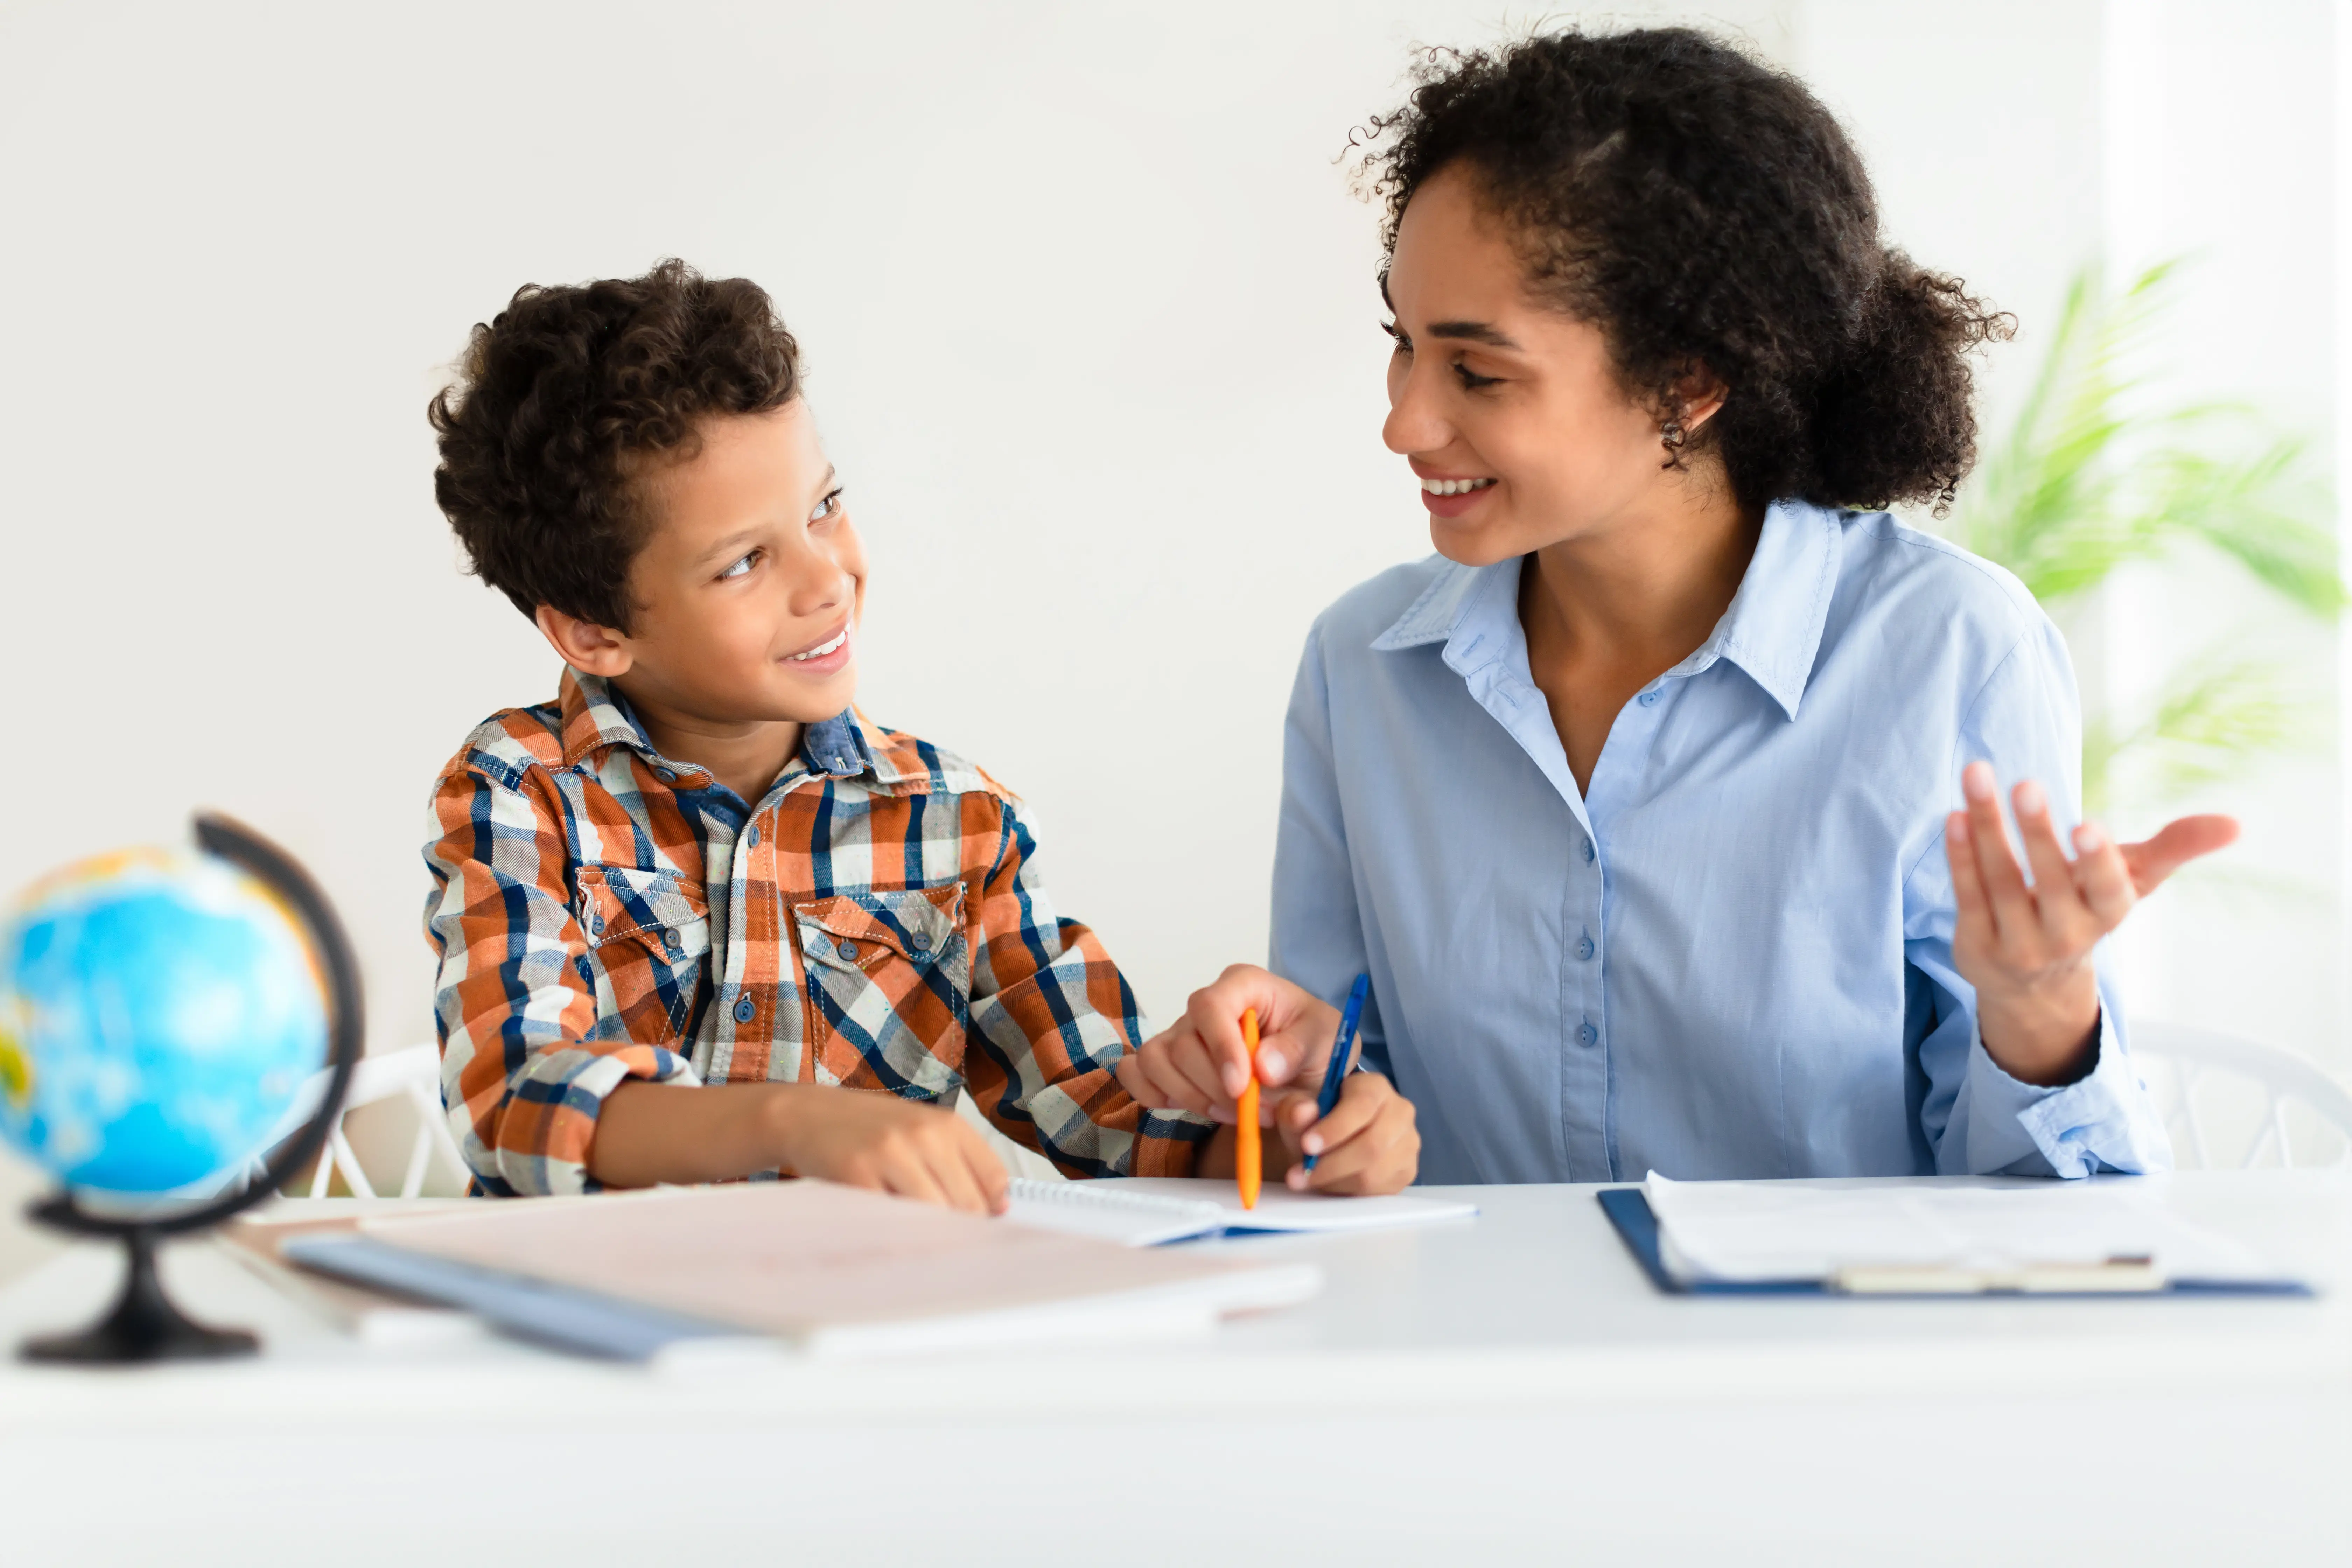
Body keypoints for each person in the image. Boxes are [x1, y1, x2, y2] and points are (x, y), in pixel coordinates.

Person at [1118, 28, 2237, 1185]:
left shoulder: (1948, 651)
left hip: (1833, 1361)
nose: (1404, 421)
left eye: (1478, 372)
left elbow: (2061, 1232)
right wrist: (1300, 1100)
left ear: (1689, 384)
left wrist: (2042, 1013)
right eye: (1404, 346)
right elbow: (1343, 1087)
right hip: (1467, 1355)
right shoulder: (1365, 668)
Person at [421, 261, 1417, 1205]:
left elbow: (1116, 1115)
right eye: (741, 564)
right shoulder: (524, 789)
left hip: (858, 1346)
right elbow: (519, 1102)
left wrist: (1301, 1133)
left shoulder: (957, 823)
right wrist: (795, 1125)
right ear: (593, 631)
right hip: (591, 1346)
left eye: (825, 507)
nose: (826, 580)